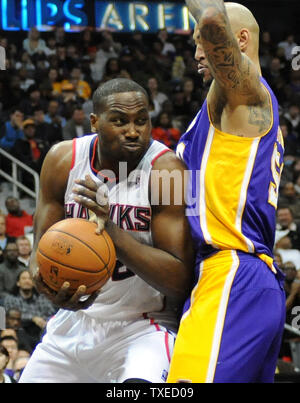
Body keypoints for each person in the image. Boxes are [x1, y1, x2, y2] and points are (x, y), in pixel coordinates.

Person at [19, 78, 194, 383]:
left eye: (142, 121)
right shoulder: (63, 160)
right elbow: (39, 253)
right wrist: (47, 285)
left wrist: (111, 229)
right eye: (120, 121)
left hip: (142, 327)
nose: (133, 130)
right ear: (95, 121)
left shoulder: (167, 171)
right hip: (74, 323)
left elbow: (180, 280)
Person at [167, 1, 286, 383]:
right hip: (245, 282)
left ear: (241, 40)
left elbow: (213, 16)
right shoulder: (222, 111)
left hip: (232, 275)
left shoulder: (246, 97)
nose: (197, 52)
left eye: (203, 41)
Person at [3, 270, 57, 349]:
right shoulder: (10, 299)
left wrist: (43, 321)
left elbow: (51, 315)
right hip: (19, 332)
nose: (27, 281)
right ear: (18, 283)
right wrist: (33, 318)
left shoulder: (42, 298)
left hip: (40, 332)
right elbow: (10, 317)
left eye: (30, 279)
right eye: (24, 278)